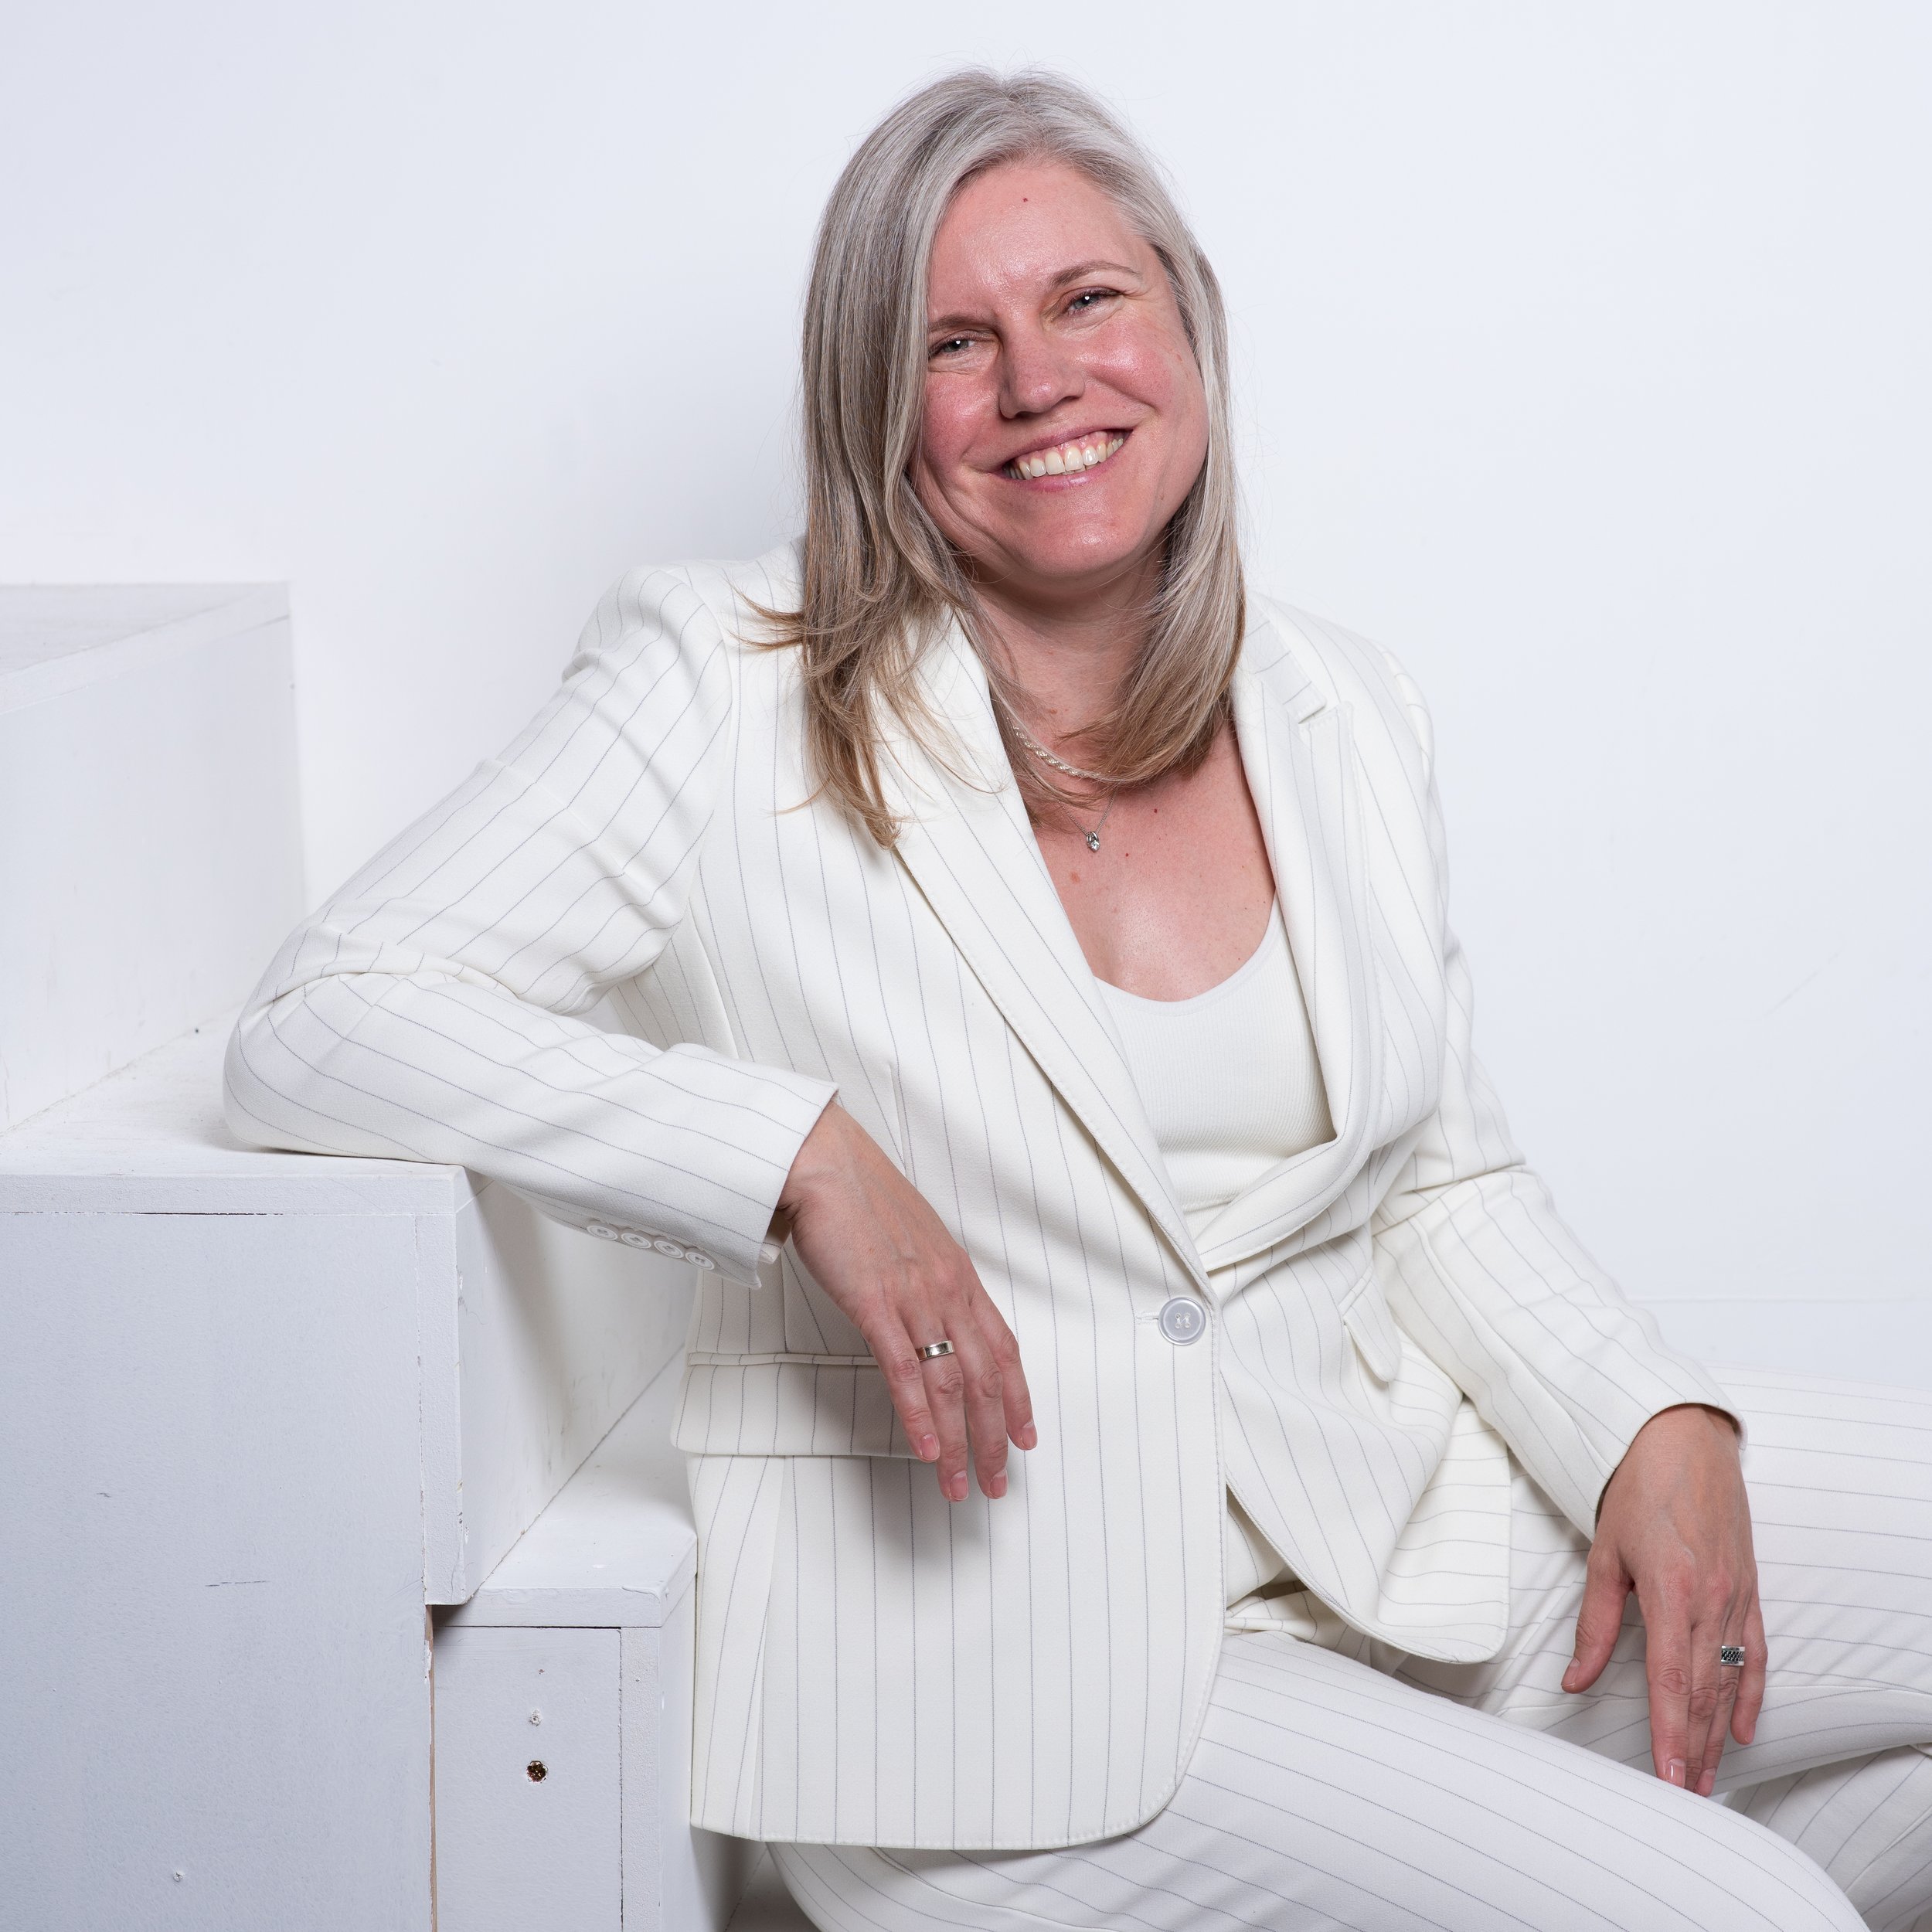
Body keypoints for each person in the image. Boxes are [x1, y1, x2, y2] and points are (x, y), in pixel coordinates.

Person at [225, 68, 1931, 1932]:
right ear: (880, 411)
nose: (1039, 381)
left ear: (1183, 320)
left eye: (1086, 302)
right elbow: (330, 1003)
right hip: (1009, 1675)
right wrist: (791, 1150)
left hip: (1386, 1528)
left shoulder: (1340, 710)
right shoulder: (715, 683)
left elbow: (1437, 1180)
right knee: (1745, 1914)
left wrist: (1642, 1417)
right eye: (955, 340)